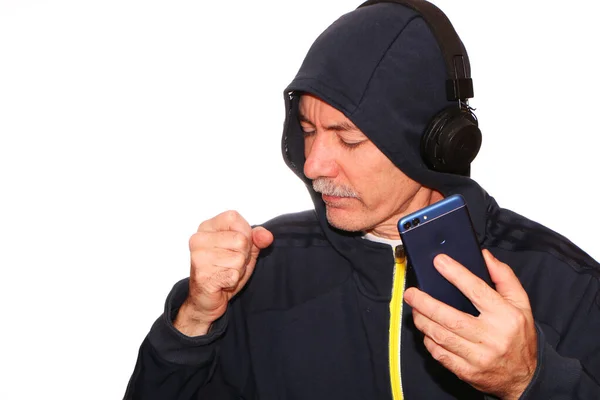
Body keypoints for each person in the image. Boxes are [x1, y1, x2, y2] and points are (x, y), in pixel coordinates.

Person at [123, 0, 600, 399]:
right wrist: (193, 323)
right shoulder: (262, 271)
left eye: (347, 139)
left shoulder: (565, 286)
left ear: (433, 142)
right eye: (308, 131)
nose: (314, 166)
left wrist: (530, 382)